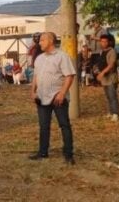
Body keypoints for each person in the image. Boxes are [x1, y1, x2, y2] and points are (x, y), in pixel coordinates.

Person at [29, 32, 76, 165]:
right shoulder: (39, 58)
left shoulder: (62, 56)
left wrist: (62, 93)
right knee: (44, 126)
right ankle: (43, 152)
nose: (40, 43)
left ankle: (68, 154)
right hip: (42, 97)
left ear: (51, 41)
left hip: (57, 97)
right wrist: (33, 91)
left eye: (42, 40)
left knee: (64, 125)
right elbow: (36, 77)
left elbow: (69, 76)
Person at [96, 34, 119, 121]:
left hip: (111, 77)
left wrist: (102, 73)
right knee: (108, 96)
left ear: (109, 42)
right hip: (104, 78)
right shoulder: (101, 51)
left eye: (105, 41)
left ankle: (116, 113)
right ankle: (111, 112)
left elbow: (111, 65)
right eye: (101, 41)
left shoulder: (112, 51)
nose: (103, 43)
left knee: (112, 96)